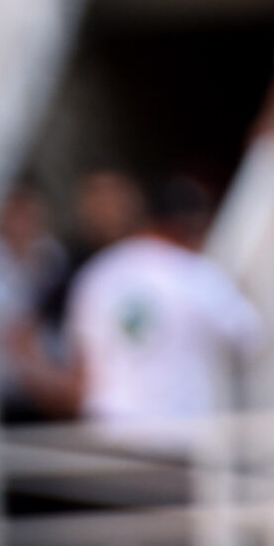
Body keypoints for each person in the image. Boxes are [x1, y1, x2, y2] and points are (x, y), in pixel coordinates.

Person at [65, 177, 262, 431]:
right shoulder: (197, 274)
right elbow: (251, 337)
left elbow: (81, 368)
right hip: (176, 436)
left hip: (109, 433)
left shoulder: (97, 272)